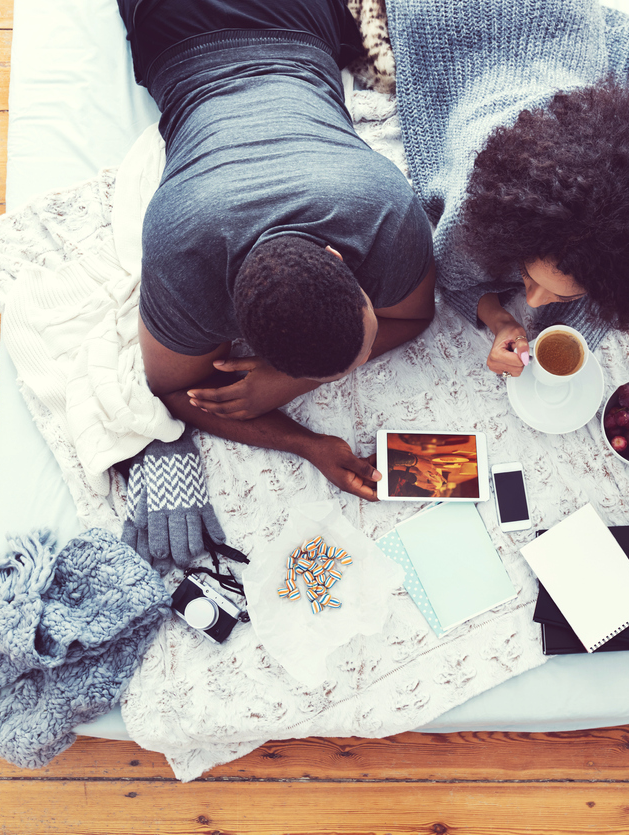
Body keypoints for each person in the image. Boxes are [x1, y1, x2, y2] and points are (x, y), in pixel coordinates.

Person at [117, 0, 437, 500]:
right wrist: (304, 442)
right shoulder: (182, 254)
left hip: (256, 22)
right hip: (226, 22)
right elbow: (173, 390)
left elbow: (415, 319)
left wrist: (292, 387)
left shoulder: (385, 208)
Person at [384, 0, 629, 377]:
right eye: (529, 277)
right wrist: (497, 317)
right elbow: (452, 275)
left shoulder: (617, 248)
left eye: (563, 294)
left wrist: (504, 323)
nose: (531, 301)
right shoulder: (473, 207)